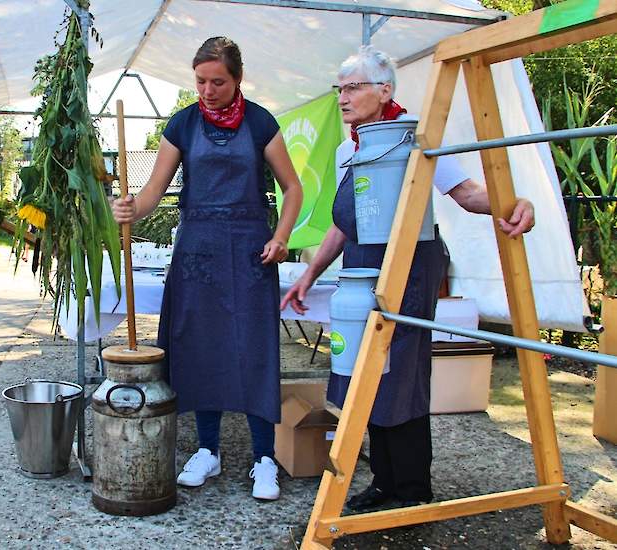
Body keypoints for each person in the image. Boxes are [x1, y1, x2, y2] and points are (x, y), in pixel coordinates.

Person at [281, 46, 535, 511]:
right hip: (363, 267)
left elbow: (466, 192)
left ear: (385, 89)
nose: (343, 97)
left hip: (411, 267)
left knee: (401, 375)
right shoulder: (347, 149)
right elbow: (345, 221)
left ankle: (412, 490)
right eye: (340, 88)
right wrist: (311, 274)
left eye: (353, 87)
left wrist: (512, 203)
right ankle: (384, 483)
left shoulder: (415, 137)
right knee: (366, 371)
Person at [111, 37, 304, 501]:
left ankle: (263, 457)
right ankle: (208, 451)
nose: (208, 90)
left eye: (218, 81)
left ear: (237, 79)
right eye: (200, 81)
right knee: (201, 349)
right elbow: (154, 191)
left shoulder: (260, 122)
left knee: (253, 350)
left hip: (250, 252)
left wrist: (281, 237)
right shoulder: (182, 124)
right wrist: (130, 209)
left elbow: (293, 188)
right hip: (197, 251)